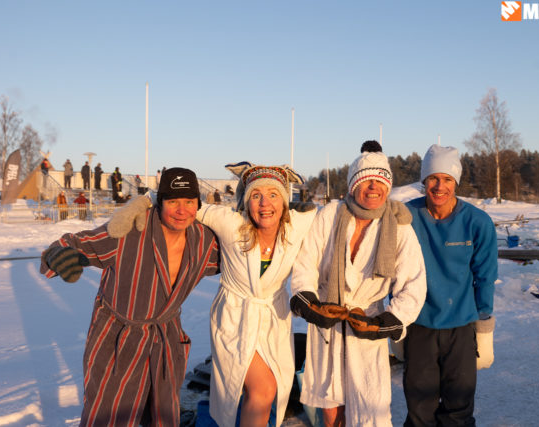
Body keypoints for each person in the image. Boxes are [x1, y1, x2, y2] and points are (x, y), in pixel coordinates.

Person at [107, 162, 317, 427]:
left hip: (274, 319)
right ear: (246, 201)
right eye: (256, 195)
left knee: (268, 388)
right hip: (236, 318)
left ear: (285, 201)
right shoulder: (231, 224)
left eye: (273, 195)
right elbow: (186, 204)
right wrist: (139, 204)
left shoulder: (296, 225)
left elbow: (334, 215)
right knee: (263, 389)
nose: (265, 203)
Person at [40, 167, 220, 426]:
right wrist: (59, 256)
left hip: (165, 339)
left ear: (198, 204)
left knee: (163, 415)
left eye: (189, 202)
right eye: (173, 202)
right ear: (160, 202)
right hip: (117, 339)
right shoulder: (129, 229)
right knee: (107, 415)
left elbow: (244, 256)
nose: (182, 210)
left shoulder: (203, 242)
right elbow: (73, 244)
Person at [290, 141, 427, 427]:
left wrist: (389, 320)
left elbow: (413, 284)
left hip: (367, 322)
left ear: (388, 186)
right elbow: (306, 262)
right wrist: (309, 301)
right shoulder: (330, 215)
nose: (373, 186)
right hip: (328, 321)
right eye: (366, 180)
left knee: (370, 409)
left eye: (380, 180)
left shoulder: (398, 226)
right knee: (330, 406)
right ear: (353, 185)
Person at [403, 144, 498, 427]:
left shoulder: (477, 222)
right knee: (420, 411)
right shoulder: (406, 218)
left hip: (461, 327)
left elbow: (485, 276)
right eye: (433, 178)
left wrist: (484, 324)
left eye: (447, 178)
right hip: (420, 324)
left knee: (458, 411)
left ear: (456, 181)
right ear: (424, 181)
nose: (439, 186)